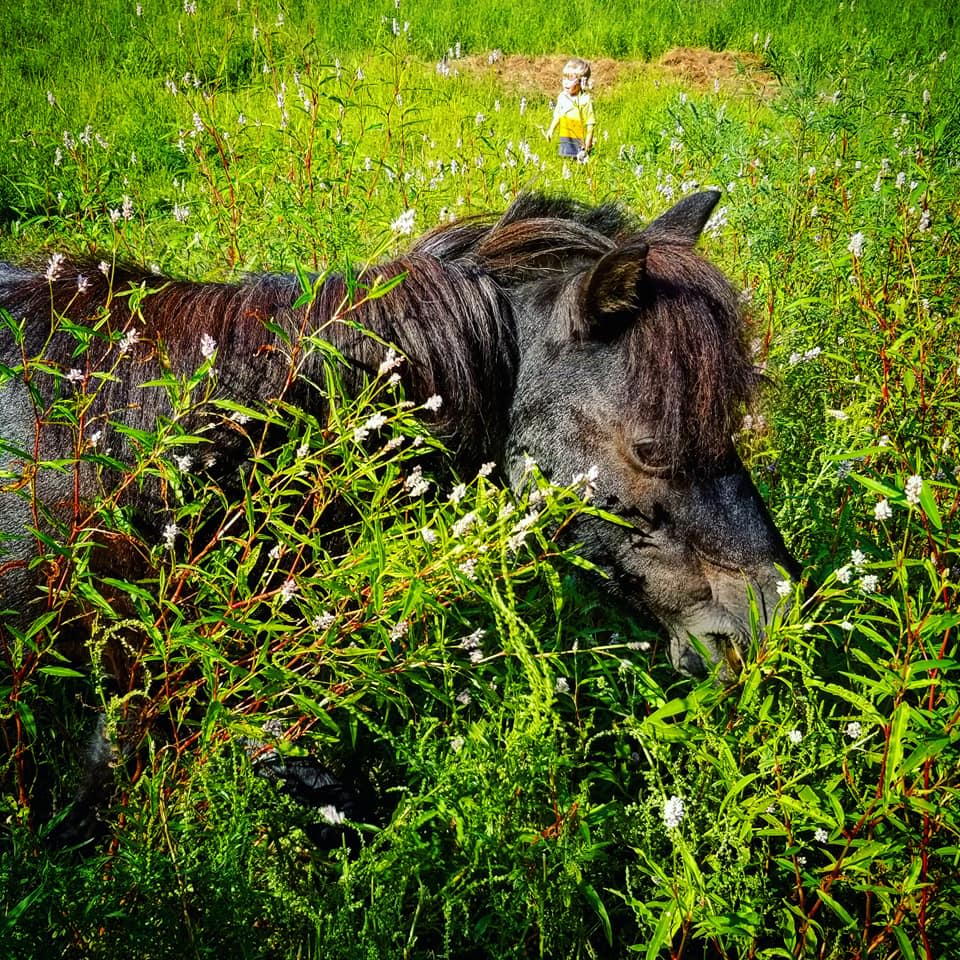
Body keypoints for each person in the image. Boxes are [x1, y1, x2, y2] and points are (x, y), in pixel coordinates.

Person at [545, 58, 596, 161]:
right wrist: (551, 129)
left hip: (579, 138)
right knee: (566, 161)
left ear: (581, 81)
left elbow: (590, 122)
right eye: (564, 79)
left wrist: (589, 140)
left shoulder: (584, 99)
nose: (566, 83)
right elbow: (558, 115)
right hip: (565, 136)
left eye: (570, 79)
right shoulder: (562, 97)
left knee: (580, 162)